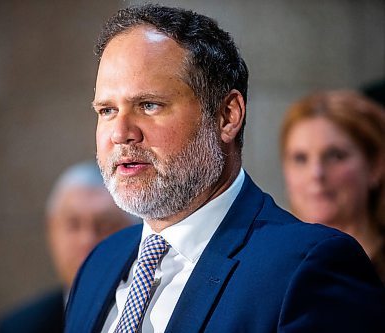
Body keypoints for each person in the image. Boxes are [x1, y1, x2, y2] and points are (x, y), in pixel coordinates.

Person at [65, 4, 385, 333]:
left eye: (149, 105)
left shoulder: (307, 267)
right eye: (106, 110)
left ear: (227, 116)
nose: (120, 133)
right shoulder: (99, 264)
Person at [0, 161, 135, 333]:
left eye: (105, 225)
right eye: (73, 225)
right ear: (51, 231)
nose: (87, 240)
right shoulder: (18, 327)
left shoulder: (161, 315)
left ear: (136, 233)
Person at [281, 90, 385, 282]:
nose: (316, 174)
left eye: (335, 156)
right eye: (300, 159)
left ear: (375, 166)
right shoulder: (268, 266)